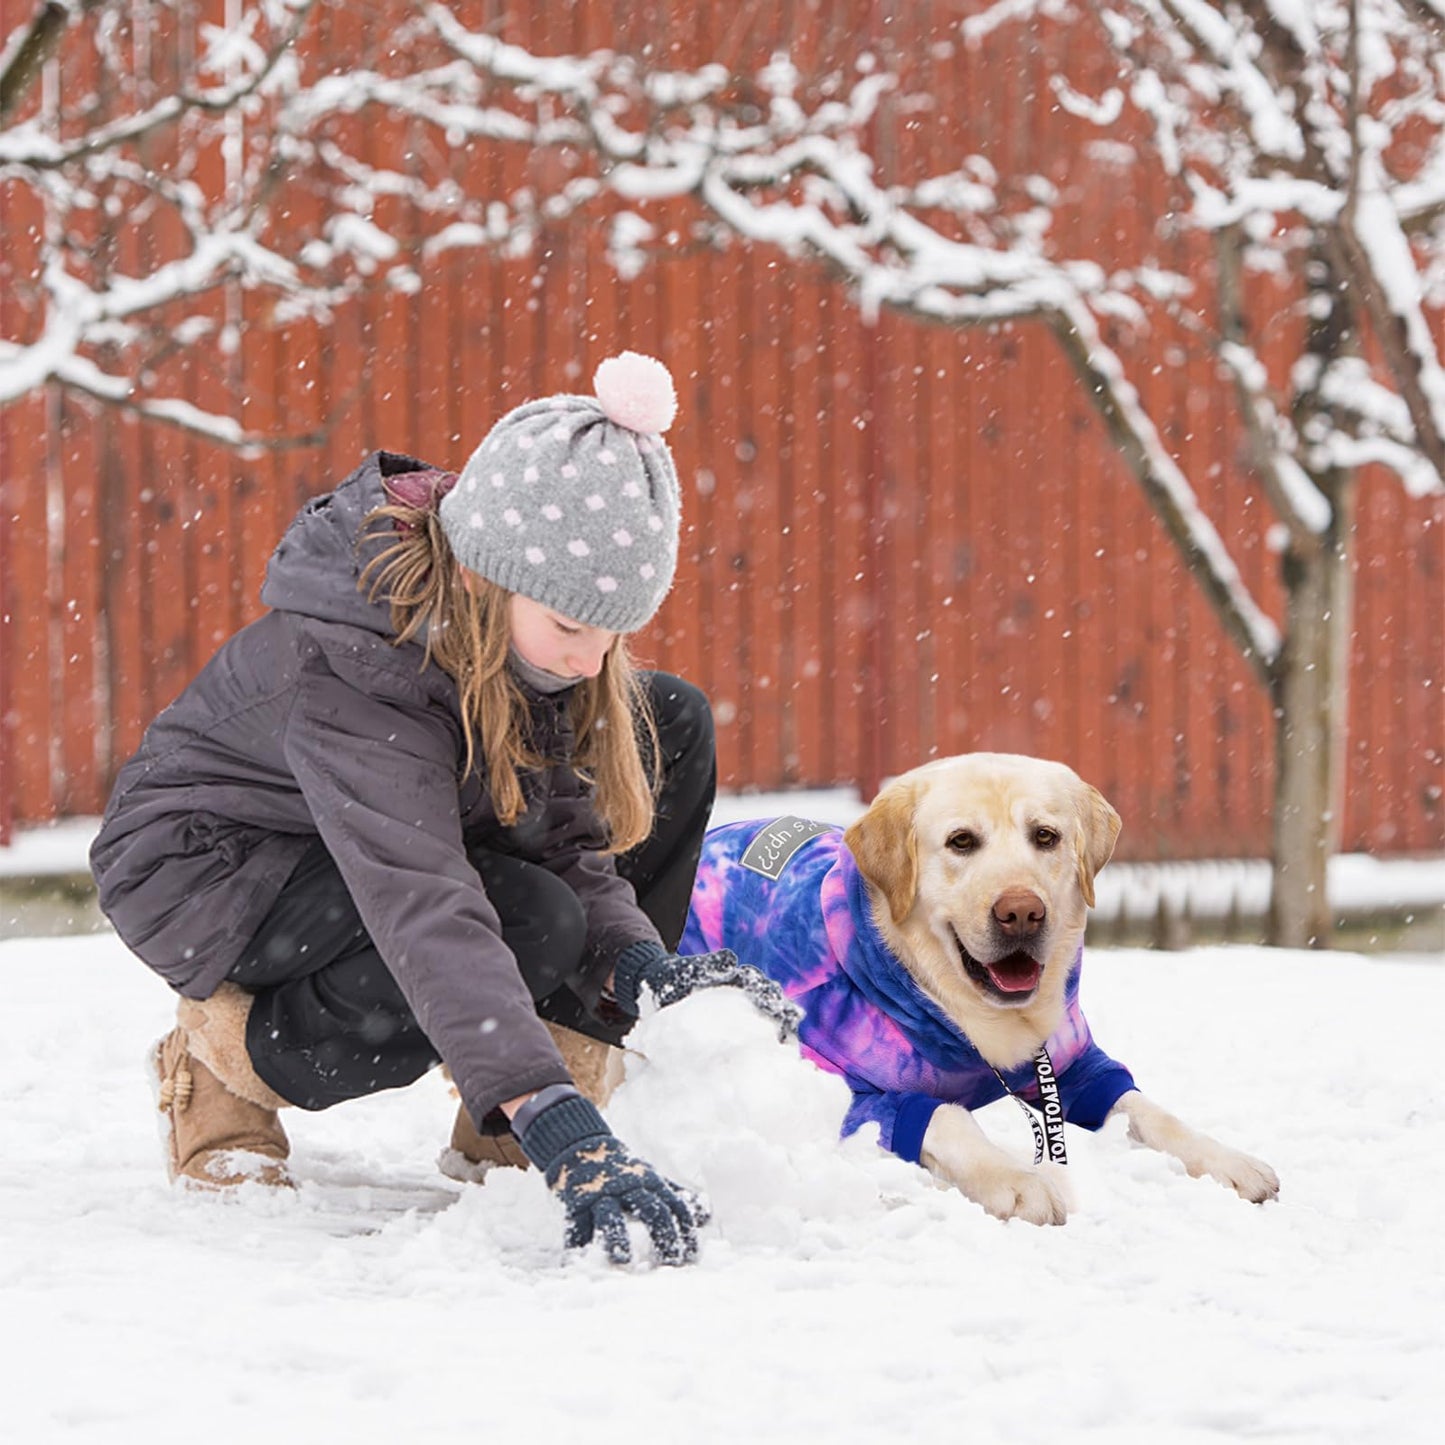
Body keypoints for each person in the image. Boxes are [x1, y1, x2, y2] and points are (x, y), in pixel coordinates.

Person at [89, 351, 796, 1267]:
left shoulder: (518, 642)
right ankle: (226, 1059)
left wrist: (639, 970)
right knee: (522, 922)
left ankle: (528, 1079)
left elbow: (564, 837)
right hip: (214, 867)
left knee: (662, 725)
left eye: (613, 628)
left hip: (359, 839)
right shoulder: (363, 664)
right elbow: (423, 900)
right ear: (480, 575)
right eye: (572, 627)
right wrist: (560, 1128)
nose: (589, 658)